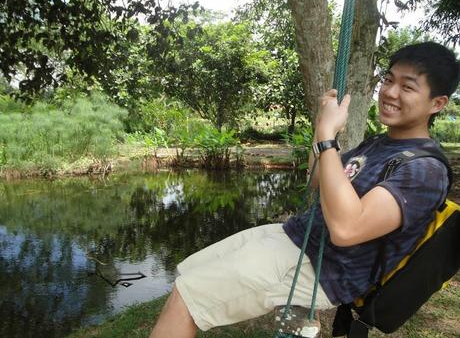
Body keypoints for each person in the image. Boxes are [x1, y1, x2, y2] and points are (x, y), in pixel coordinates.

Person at [150, 42, 460, 338]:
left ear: (437, 103)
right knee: (187, 274)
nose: (390, 92)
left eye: (407, 87)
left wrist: (327, 136)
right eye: (388, 80)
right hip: (297, 238)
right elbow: (317, 179)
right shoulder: (380, 144)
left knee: (187, 299)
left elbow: (348, 229)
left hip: (324, 269)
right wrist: (321, 128)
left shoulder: (425, 171)